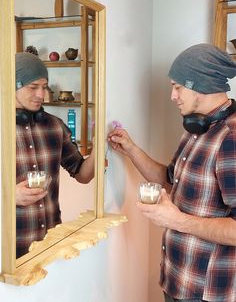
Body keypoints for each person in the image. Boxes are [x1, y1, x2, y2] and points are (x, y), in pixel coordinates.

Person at [108, 43, 236, 302]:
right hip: (177, 280)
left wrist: (177, 220)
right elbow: (170, 180)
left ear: (201, 84)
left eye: (178, 87)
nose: (172, 96)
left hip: (208, 293)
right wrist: (131, 149)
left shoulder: (230, 139)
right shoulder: (195, 128)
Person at [16, 52, 94, 258]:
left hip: (50, 243)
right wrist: (7, 197)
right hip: (8, 249)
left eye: (44, 87)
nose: (41, 95)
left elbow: (82, 174)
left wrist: (99, 149)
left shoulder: (54, 126)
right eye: (33, 87)